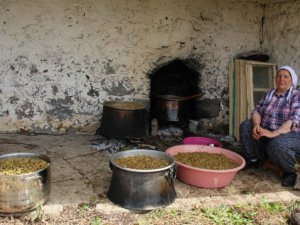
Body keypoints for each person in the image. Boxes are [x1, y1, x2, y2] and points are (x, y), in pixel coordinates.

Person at [239, 65, 300, 187]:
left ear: (292, 80)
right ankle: (253, 160)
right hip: (268, 131)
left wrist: (273, 133)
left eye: (285, 76)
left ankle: (291, 172)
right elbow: (257, 110)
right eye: (279, 76)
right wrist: (257, 125)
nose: (281, 79)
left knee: (277, 144)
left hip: (290, 135)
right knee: (246, 125)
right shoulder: (269, 93)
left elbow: (294, 121)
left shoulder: (296, 95)